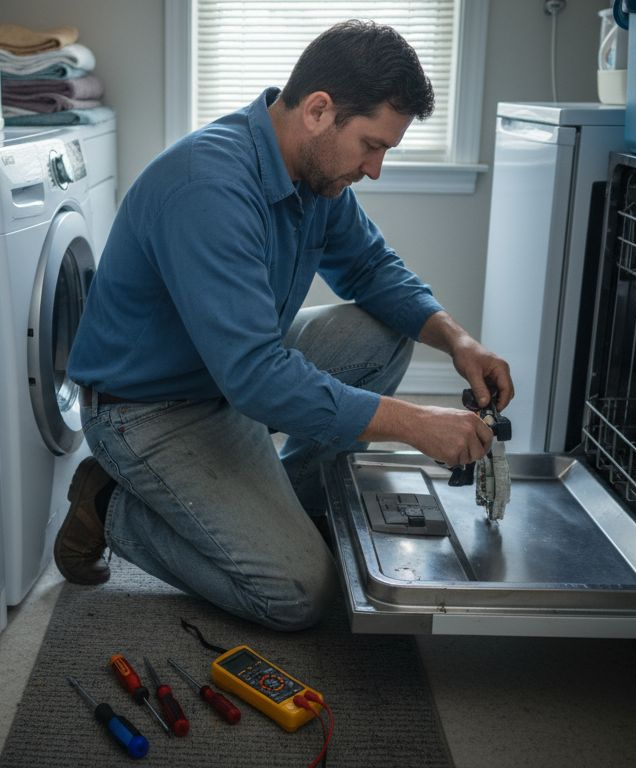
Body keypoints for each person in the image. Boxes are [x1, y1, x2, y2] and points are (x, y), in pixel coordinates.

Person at [53, 20, 514, 632]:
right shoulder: (209, 187)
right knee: (303, 593)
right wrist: (416, 425)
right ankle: (107, 504)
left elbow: (372, 268)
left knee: (383, 332)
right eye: (372, 145)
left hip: (226, 376)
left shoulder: (315, 177)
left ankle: (283, 509)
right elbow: (258, 379)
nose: (375, 169)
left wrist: (459, 341)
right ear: (319, 110)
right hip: (146, 410)